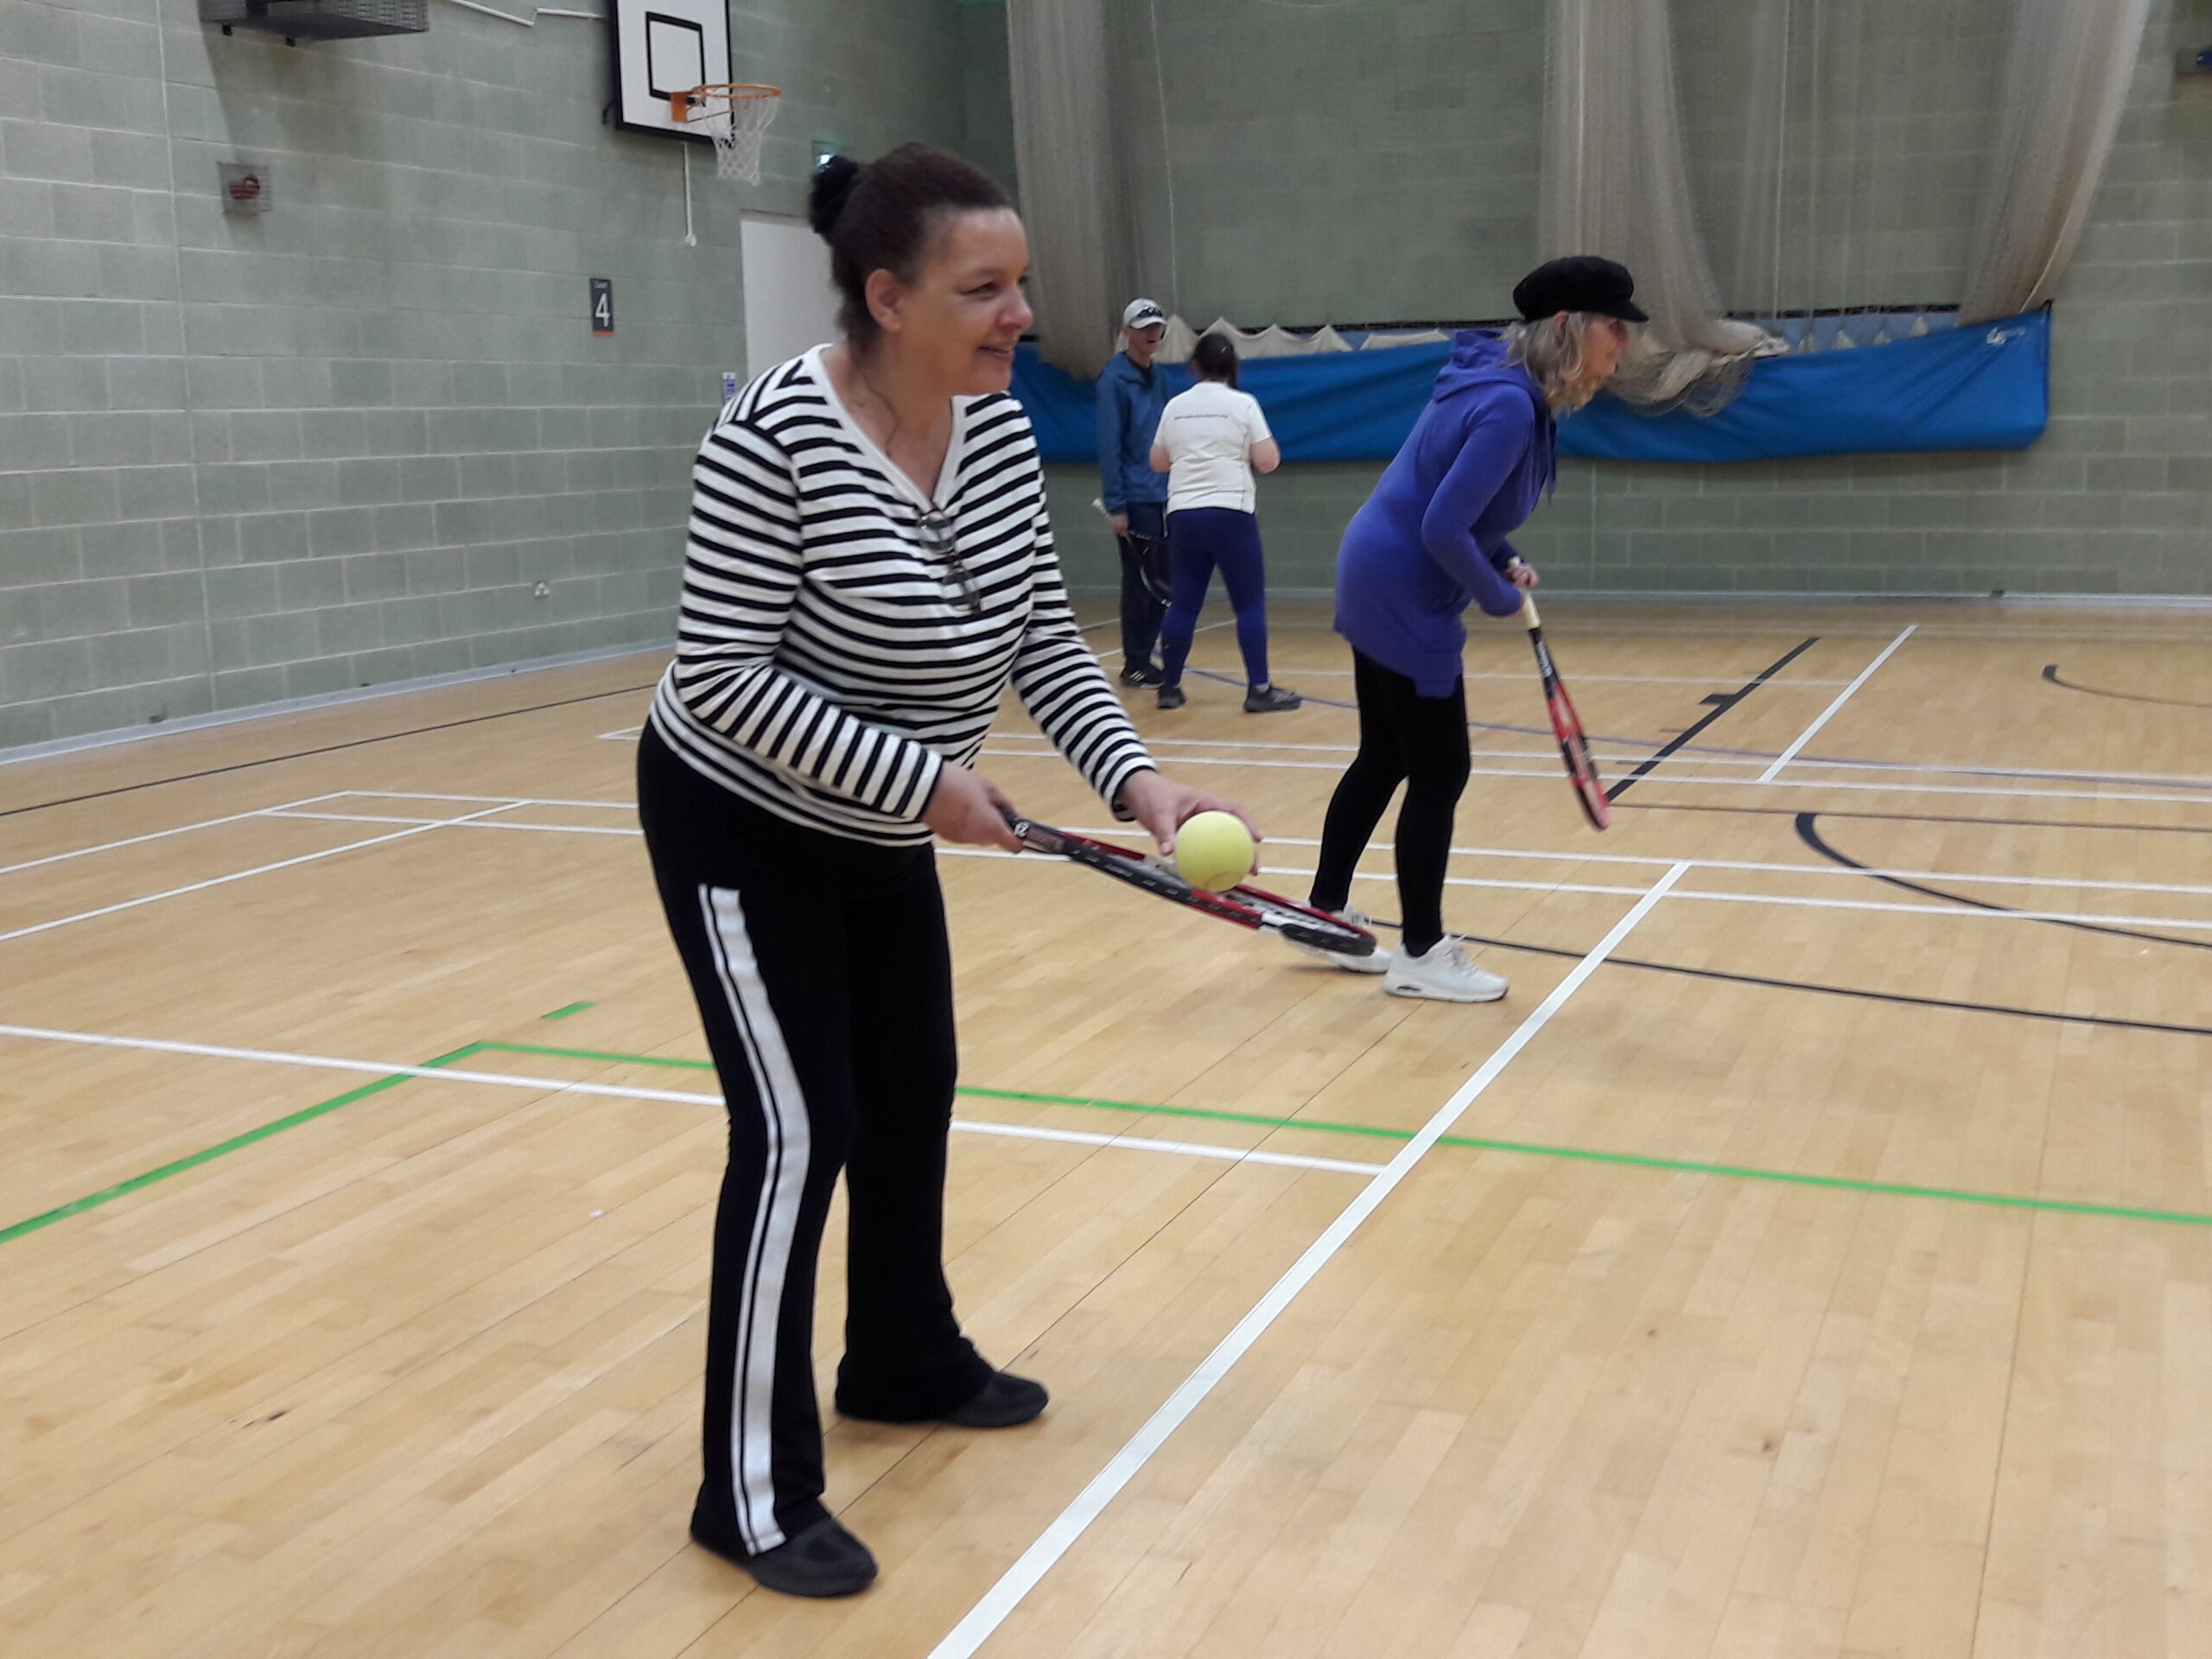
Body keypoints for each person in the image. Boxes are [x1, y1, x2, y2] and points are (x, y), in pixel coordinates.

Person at [638, 144, 1251, 1599]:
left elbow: (1038, 635)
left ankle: (902, 1360)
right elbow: (716, 674)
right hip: (741, 825)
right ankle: (751, 1491)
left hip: (875, 828)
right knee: (799, 1132)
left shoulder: (985, 431)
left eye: (1021, 284)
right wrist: (923, 782)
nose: (1020, 316)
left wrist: (1143, 782)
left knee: (911, 1091)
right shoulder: (776, 434)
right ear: (887, 297)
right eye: (986, 290)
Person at [1292, 256, 1642, 1002]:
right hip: (1401, 588)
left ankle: (1323, 910)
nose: (1626, 345)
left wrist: (1502, 558)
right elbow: (1443, 522)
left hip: (1377, 568)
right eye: (1617, 328)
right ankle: (1421, 953)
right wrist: (1494, 595)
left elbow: (1457, 504)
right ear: (1568, 328)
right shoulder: (1510, 406)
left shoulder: (1505, 390)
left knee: (1387, 755)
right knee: (1442, 769)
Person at [1147, 334, 1302, 715]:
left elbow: (1158, 462)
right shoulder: (1243, 404)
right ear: (1233, 365)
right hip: (1232, 512)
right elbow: (1267, 461)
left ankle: (1170, 686)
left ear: (1194, 366)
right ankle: (1259, 689)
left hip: (1184, 513)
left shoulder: (1175, 407)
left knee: (1184, 602)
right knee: (1248, 604)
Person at [1097, 298, 1173, 686]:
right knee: (1140, 581)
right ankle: (1136, 661)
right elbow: (1110, 445)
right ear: (1127, 333)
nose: (1151, 335)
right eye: (1143, 328)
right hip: (1137, 496)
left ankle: (1146, 655)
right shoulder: (1114, 381)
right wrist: (1116, 505)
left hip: (1165, 495)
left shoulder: (1160, 379)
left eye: (1156, 327)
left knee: (1165, 582)